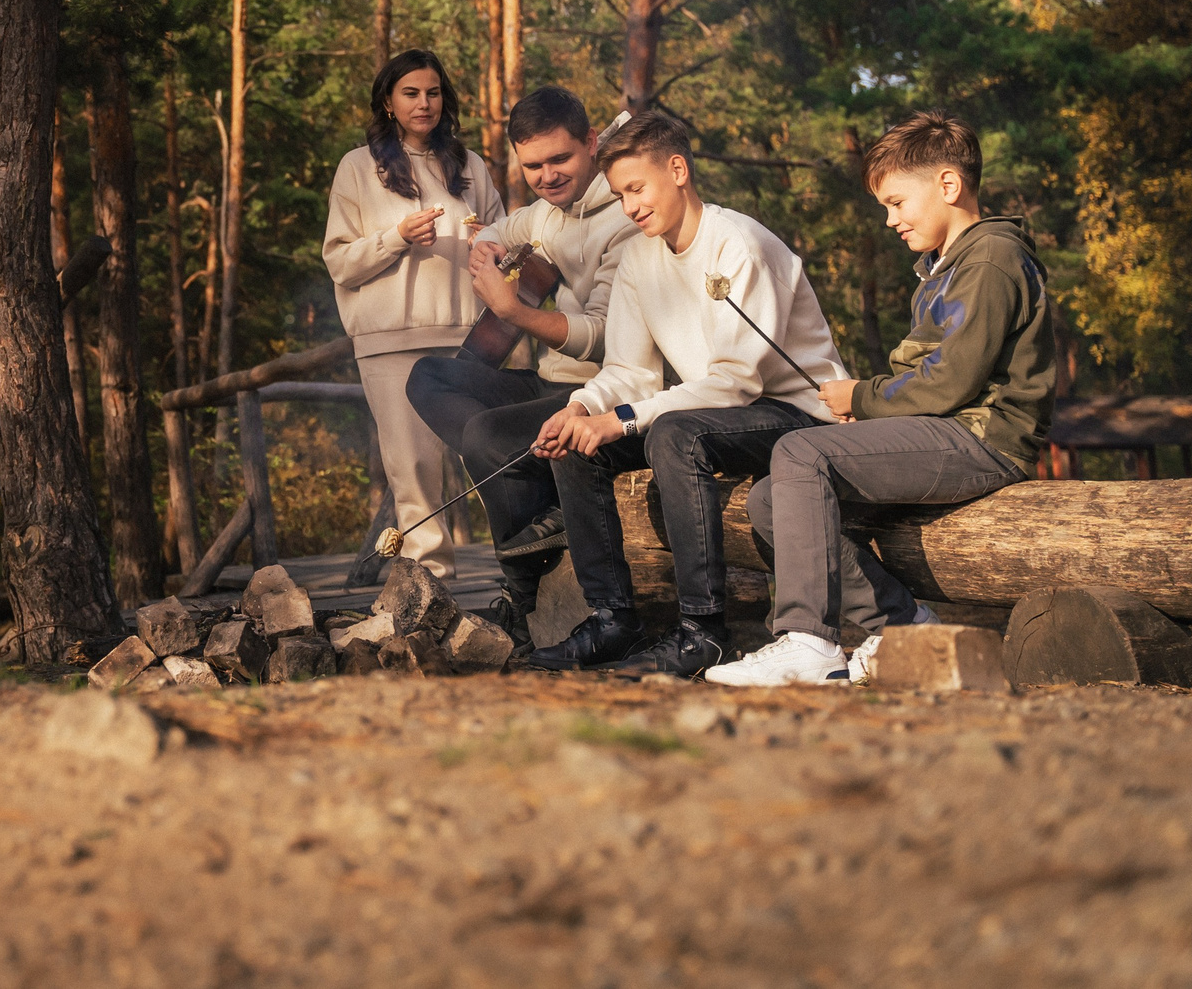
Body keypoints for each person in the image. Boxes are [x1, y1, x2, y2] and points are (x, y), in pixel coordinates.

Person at [705, 111, 1055, 687]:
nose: (891, 220)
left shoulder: (991, 258)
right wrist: (864, 408)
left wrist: (862, 399)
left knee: (799, 453)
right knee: (772, 499)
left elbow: (951, 380)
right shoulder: (948, 267)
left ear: (948, 185)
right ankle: (902, 627)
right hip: (948, 428)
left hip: (981, 437)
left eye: (897, 203)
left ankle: (807, 640)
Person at [522, 109, 851, 678]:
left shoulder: (740, 245)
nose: (629, 206)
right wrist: (582, 409)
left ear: (677, 170)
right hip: (719, 415)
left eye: (636, 189)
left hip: (799, 416)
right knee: (580, 441)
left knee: (673, 434)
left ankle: (704, 631)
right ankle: (613, 619)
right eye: (620, 194)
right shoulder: (639, 258)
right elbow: (631, 370)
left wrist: (622, 420)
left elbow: (737, 380)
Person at [404, 88, 636, 633]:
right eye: (533, 165)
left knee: (487, 436)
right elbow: (497, 232)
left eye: (561, 159)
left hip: (602, 394)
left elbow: (607, 339)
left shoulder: (627, 217)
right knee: (428, 376)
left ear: (592, 143)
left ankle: (522, 592)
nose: (547, 175)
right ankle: (538, 504)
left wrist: (513, 309)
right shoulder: (545, 215)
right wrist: (486, 249)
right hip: (550, 382)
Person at [323, 49, 504, 577]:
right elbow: (339, 262)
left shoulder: (469, 166)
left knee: (492, 457)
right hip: (391, 341)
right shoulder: (359, 166)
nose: (424, 103)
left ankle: (521, 577)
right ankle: (431, 589)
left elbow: (502, 236)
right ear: (388, 101)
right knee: (415, 471)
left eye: (433, 92)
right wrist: (395, 238)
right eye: (411, 93)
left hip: (472, 337)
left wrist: (492, 245)